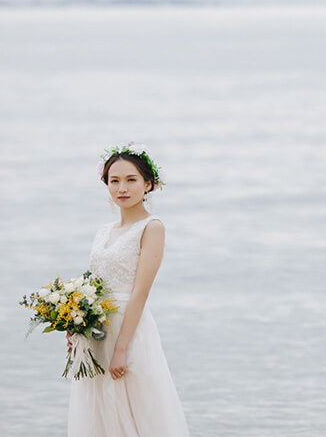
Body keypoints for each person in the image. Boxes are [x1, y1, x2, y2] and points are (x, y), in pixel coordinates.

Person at [67, 143, 191, 436]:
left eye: (131, 180)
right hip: (97, 331)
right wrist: (75, 326)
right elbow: (93, 287)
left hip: (129, 330)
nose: (122, 187)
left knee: (135, 408)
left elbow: (141, 292)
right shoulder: (104, 232)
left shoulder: (152, 227)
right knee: (100, 412)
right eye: (115, 180)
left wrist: (121, 348)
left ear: (148, 184)